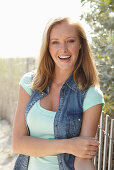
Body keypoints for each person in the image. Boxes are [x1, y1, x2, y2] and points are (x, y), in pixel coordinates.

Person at [12, 17, 105, 170]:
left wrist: (77, 148)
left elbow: (82, 160)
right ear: (48, 47)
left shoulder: (91, 95)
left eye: (70, 41)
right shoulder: (30, 84)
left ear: (81, 44)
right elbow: (18, 144)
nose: (63, 49)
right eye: (55, 42)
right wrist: (69, 145)